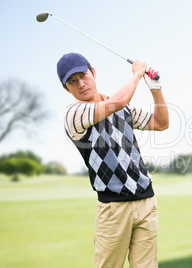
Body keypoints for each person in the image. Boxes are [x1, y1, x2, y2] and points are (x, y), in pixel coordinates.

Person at [58, 52, 168, 268]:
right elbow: (116, 102)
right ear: (66, 88)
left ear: (93, 72)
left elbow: (161, 122)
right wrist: (137, 74)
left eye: (83, 75)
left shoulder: (124, 108)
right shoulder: (75, 114)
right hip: (113, 208)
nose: (80, 84)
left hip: (146, 201)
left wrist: (155, 88)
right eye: (72, 81)